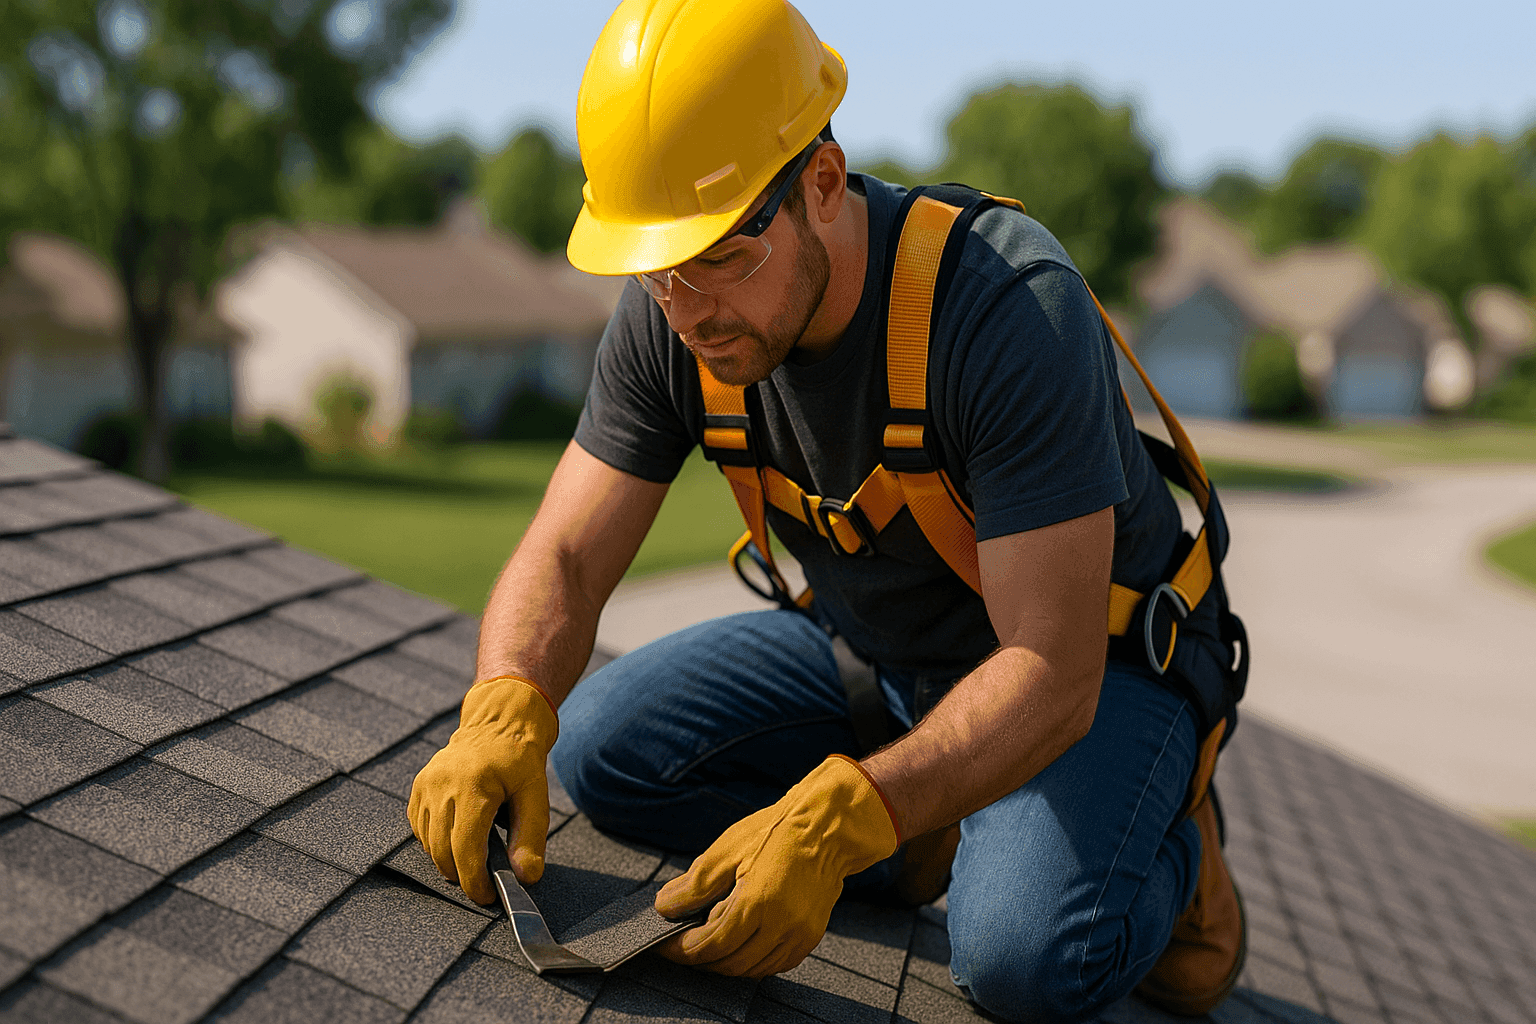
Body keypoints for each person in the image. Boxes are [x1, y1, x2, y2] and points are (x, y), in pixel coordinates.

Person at [408, 1, 1246, 1020]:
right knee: (597, 749)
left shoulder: (1007, 303)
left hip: (1095, 670)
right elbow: (570, 554)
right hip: (878, 656)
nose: (686, 306)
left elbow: (1052, 669)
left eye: (721, 251)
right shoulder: (676, 309)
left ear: (821, 182)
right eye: (656, 266)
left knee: (1022, 955)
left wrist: (849, 813)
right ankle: (927, 825)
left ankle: (1172, 851)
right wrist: (503, 702)